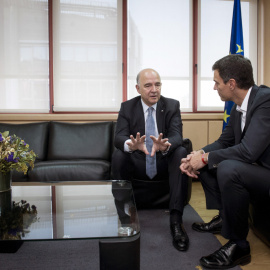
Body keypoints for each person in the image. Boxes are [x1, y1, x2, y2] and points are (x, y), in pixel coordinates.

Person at [180, 54, 270, 269]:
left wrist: (204, 158)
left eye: (216, 82)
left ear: (232, 84)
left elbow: (248, 151)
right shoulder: (239, 106)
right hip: (256, 169)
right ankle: (224, 219)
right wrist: (198, 154)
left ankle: (239, 245)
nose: (214, 88)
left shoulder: (265, 101)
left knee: (227, 167)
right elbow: (224, 142)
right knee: (209, 164)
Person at [112, 68, 189, 251]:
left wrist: (165, 145)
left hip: (163, 159)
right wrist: (131, 145)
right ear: (138, 88)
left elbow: (177, 135)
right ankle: (124, 218)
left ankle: (176, 222)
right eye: (148, 85)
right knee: (119, 154)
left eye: (157, 84)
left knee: (181, 151)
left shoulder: (172, 105)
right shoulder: (127, 107)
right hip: (138, 160)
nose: (154, 89)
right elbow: (118, 137)